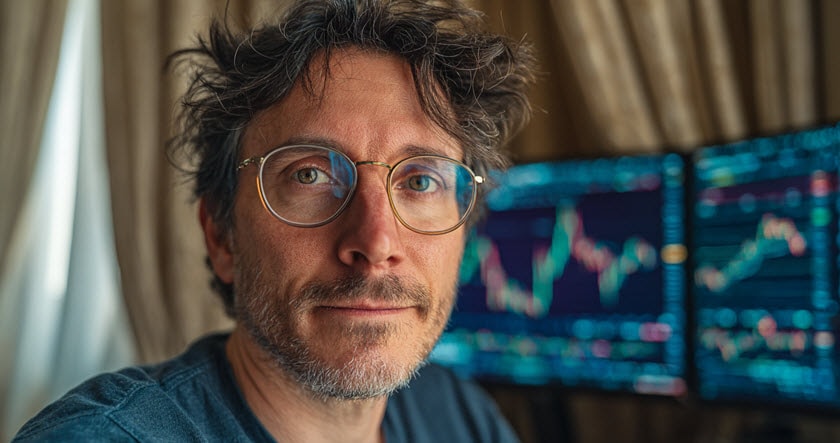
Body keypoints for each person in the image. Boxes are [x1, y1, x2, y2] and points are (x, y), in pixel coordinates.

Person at [13, 0, 536, 441]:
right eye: (310, 176)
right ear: (221, 236)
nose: (376, 241)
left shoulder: (457, 415)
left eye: (421, 181)